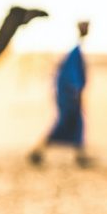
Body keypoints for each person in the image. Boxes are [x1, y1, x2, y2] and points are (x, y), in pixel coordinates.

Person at [29, 20, 91, 167]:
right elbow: (70, 76)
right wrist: (75, 91)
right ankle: (37, 152)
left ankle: (80, 156)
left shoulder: (75, 51)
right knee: (64, 123)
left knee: (76, 124)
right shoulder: (74, 53)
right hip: (69, 96)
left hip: (70, 95)